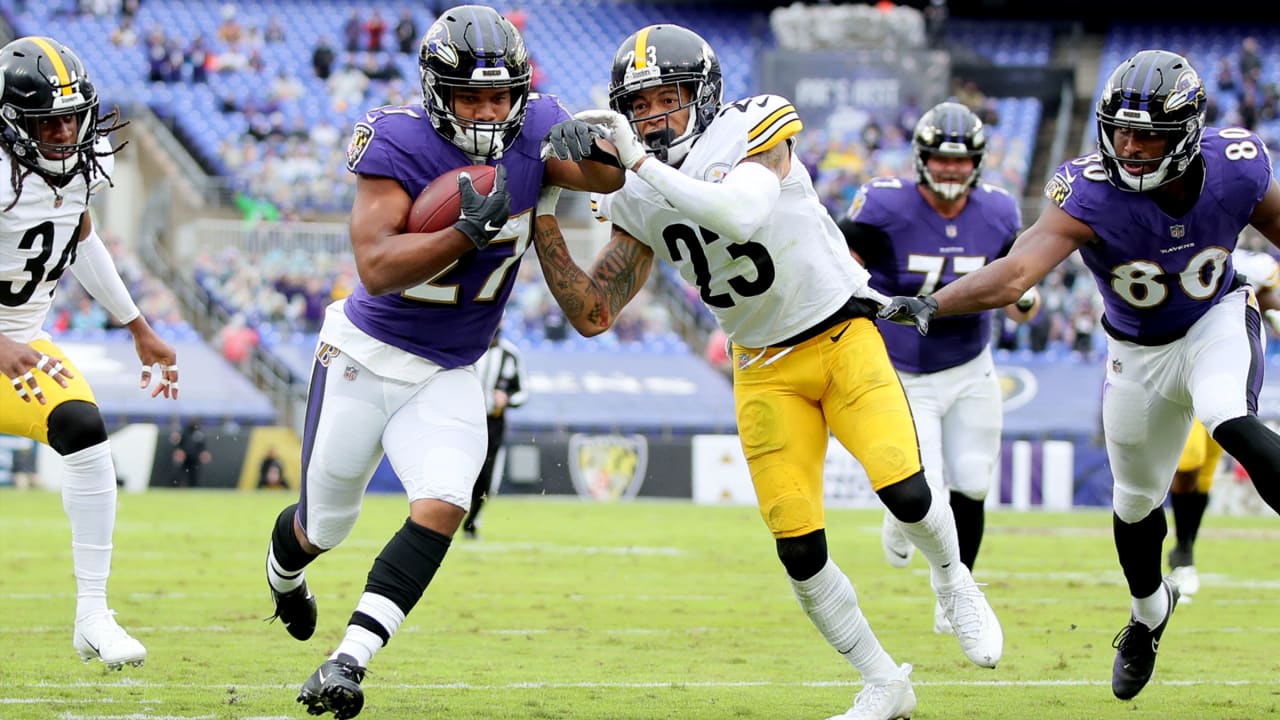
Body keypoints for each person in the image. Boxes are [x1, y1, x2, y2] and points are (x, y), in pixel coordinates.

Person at [535, 24, 1003, 720]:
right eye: (641, 106)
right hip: (761, 366)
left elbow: (742, 213)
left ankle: (952, 578)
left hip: (840, 332)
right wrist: (543, 209)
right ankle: (883, 681)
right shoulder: (630, 192)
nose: (655, 117)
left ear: (705, 94)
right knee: (799, 550)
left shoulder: (754, 124)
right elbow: (596, 310)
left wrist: (637, 161)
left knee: (905, 490)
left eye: (670, 98)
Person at [878, 49, 1280, 702]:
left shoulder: (1237, 168)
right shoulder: (1089, 188)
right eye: (1120, 129)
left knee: (1226, 413)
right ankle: (1149, 614)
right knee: (1133, 503)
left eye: (1146, 133)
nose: (1129, 145)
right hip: (1136, 351)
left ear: (1186, 135)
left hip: (1214, 319)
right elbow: (1015, 275)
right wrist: (934, 302)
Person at [259, 7, 625, 719]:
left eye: (500, 96)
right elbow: (374, 267)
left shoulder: (535, 125)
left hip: (452, 367)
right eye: (470, 97)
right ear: (435, 93)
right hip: (366, 356)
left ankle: (347, 661)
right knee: (322, 527)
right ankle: (283, 578)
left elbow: (603, 179)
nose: (490, 113)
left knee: (445, 501)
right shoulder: (395, 139)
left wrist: (597, 142)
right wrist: (463, 232)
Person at [0, 36, 179, 669]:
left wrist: (137, 324)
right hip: (3, 343)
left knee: (83, 429)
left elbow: (80, 241)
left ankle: (93, 615)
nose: (64, 132)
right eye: (47, 121)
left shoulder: (82, 160)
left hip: (19, 343)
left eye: (71, 118)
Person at [837, 101, 1039, 636]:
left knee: (972, 481)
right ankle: (901, 520)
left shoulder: (999, 211)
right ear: (921, 158)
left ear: (977, 161)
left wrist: (1023, 298)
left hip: (971, 363)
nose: (951, 170)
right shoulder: (884, 203)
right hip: (904, 369)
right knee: (924, 486)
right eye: (941, 160)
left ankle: (958, 596)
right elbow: (842, 266)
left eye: (961, 160)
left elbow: (1018, 280)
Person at [1166, 247, 1280, 602]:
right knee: (1188, 460)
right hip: (1184, 367)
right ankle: (1181, 552)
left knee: (1205, 468)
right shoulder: (1183, 249)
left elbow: (1269, 294)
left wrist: (1272, 311)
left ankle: (1184, 553)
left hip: (1232, 369)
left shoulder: (1255, 264)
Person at [461, 325, 528, 539]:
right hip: (464, 419)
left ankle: (472, 521)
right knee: (461, 471)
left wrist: (507, 399)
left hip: (493, 422)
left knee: (486, 476)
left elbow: (522, 392)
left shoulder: (510, 355)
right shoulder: (467, 348)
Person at [168, 420, 211, 487]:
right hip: (184, 457)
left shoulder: (199, 433)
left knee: (194, 475)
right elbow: (177, 443)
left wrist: (204, 453)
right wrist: (179, 450)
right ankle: (176, 486)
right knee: (178, 473)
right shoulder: (184, 432)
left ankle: (192, 487)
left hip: (194, 458)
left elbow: (202, 446)